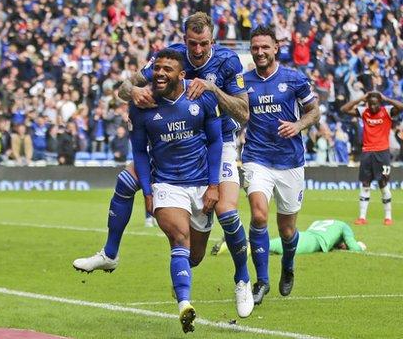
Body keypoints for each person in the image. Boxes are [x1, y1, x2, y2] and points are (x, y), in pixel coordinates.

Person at [73, 13, 254, 316]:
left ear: (214, 41)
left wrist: (213, 90)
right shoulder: (168, 59)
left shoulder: (227, 61)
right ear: (184, 40)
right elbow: (124, 88)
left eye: (204, 44)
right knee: (126, 180)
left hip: (217, 143)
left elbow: (244, 114)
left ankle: (242, 280)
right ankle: (110, 253)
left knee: (225, 212)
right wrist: (134, 92)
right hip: (172, 144)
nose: (198, 50)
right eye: (192, 44)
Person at [129, 49, 223, 331]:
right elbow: (139, 152)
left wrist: (214, 185)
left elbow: (216, 142)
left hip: (200, 185)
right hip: (167, 185)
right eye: (157, 68)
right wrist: (147, 191)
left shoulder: (201, 99)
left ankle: (180, 280)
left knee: (194, 256)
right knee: (179, 238)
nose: (159, 73)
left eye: (167, 69)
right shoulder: (142, 105)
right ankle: (185, 304)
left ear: (181, 75)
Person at [242, 25, 320, 305]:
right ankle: (261, 281)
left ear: (276, 48)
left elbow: (314, 111)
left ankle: (288, 265)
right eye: (255, 48)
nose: (260, 52)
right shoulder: (243, 81)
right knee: (259, 216)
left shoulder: (294, 78)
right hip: (256, 158)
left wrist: (298, 125)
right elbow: (237, 112)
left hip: (290, 162)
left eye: (265, 47)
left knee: (287, 230)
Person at [340, 91, 403, 226]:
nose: (373, 107)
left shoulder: (387, 111)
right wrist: (361, 98)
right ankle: (362, 217)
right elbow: (344, 109)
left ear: (380, 103)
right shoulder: (364, 111)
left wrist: (387, 98)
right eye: (370, 104)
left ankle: (388, 217)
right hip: (367, 153)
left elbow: (401, 107)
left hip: (382, 153)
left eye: (375, 104)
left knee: (383, 185)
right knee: (365, 184)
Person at [212, 220, 367, 255]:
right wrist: (361, 246)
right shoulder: (344, 227)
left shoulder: (326, 222)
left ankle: (236, 244)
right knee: (268, 248)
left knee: (271, 248)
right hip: (312, 241)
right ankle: (233, 245)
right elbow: (354, 247)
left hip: (306, 235)